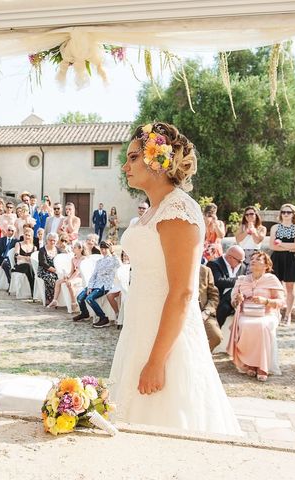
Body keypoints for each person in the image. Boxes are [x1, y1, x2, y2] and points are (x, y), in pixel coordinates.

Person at [109, 122, 240, 434]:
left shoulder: (177, 210)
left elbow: (182, 292)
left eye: (133, 158)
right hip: (141, 325)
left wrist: (157, 361)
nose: (126, 167)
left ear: (157, 160)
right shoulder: (153, 210)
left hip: (166, 336)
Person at [228, 251, 285, 381]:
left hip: (267, 314)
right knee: (245, 325)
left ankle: (262, 366)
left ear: (266, 265)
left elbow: (281, 302)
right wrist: (238, 299)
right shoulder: (242, 280)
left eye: (258, 259)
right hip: (246, 314)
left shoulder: (272, 279)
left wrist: (265, 301)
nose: (253, 260)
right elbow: (233, 302)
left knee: (262, 326)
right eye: (252, 258)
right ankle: (250, 364)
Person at [269, 203, 295, 324]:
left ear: (293, 214)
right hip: (277, 258)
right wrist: (288, 246)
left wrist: (280, 244)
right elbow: (271, 245)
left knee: (290, 287)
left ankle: (287, 315)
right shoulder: (275, 228)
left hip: (291, 259)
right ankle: (277, 313)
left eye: (288, 212)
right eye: (283, 212)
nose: (285, 214)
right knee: (276, 286)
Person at [72, 241, 120, 327]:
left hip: (105, 285)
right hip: (94, 285)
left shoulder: (113, 260)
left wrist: (113, 252)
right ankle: (84, 313)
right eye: (102, 249)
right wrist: (90, 287)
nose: (103, 251)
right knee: (80, 297)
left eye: (105, 248)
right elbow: (93, 275)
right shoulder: (99, 261)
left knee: (89, 298)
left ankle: (103, 318)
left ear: (109, 249)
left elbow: (119, 264)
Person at [207, 245, 247, 327]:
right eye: (239, 261)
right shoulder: (214, 264)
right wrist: (238, 280)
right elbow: (218, 281)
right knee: (224, 306)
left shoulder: (242, 266)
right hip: (219, 299)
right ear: (229, 257)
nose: (241, 263)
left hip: (235, 299)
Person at [48, 240, 86, 310]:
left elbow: (78, 271)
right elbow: (72, 271)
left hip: (81, 277)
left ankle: (74, 302)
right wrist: (67, 276)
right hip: (74, 276)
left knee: (69, 283)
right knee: (58, 282)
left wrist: (70, 279)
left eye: (75, 248)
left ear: (80, 249)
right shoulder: (73, 259)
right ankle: (55, 300)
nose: (73, 249)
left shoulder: (83, 258)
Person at [198, 264, 222, 352]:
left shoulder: (205, 270)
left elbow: (214, 296)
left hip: (204, 312)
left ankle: (202, 356)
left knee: (216, 337)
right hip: (181, 313)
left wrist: (207, 311)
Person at [12, 225, 37, 293]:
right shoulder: (18, 244)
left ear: (31, 236)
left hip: (30, 265)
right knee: (28, 267)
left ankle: (36, 289)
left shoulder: (34, 247)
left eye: (29, 235)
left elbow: (34, 258)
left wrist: (30, 259)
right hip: (20, 264)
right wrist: (26, 258)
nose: (27, 237)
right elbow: (16, 255)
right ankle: (32, 289)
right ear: (23, 235)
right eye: (26, 235)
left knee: (32, 268)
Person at [37, 232, 60, 305]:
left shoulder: (58, 250)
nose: (52, 242)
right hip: (44, 270)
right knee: (50, 278)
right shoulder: (42, 250)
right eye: (51, 240)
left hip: (56, 270)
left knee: (61, 279)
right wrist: (54, 270)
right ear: (47, 240)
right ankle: (50, 298)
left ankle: (58, 298)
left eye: (54, 240)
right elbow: (43, 263)